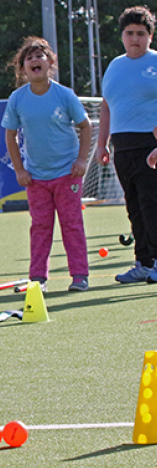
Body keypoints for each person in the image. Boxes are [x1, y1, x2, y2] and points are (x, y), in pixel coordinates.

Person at [2, 37, 92, 292]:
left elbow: (85, 126)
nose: (34, 60)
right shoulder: (17, 99)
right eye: (28, 58)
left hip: (67, 174)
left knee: (72, 224)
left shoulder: (64, 95)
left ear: (50, 62)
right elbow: (10, 134)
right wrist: (20, 169)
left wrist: (82, 160)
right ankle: (38, 278)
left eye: (39, 55)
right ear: (22, 69)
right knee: (40, 226)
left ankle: (79, 276)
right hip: (36, 178)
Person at [97, 6, 157, 284]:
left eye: (141, 33)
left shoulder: (155, 62)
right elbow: (106, 107)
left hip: (151, 144)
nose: (135, 38)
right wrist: (103, 144)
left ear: (150, 36)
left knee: (152, 204)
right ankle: (143, 262)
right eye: (130, 33)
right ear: (122, 36)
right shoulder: (114, 66)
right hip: (123, 146)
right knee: (134, 206)